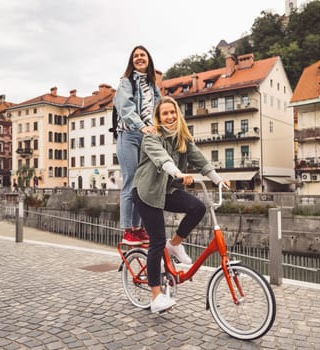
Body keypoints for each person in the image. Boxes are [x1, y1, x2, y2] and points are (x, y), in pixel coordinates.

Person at [132, 96, 230, 313]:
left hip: (167, 191)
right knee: (156, 241)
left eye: (172, 112)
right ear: (158, 117)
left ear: (178, 114)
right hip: (147, 193)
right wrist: (177, 172)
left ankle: (175, 243)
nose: (170, 116)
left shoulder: (182, 138)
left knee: (198, 208)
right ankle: (156, 296)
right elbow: (162, 159)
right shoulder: (152, 137)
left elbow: (200, 160)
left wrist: (218, 179)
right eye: (165, 113)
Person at [113, 45, 161, 246]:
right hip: (129, 135)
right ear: (131, 61)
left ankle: (138, 228)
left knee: (142, 184)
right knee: (131, 180)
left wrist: (158, 130)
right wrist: (142, 126)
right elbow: (125, 108)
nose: (139, 58)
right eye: (136, 56)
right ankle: (127, 230)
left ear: (148, 59)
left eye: (142, 55)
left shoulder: (152, 86)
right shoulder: (126, 82)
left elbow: (157, 110)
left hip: (146, 137)